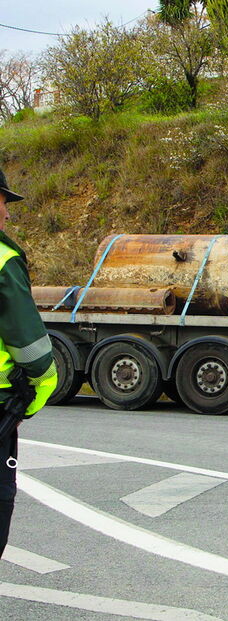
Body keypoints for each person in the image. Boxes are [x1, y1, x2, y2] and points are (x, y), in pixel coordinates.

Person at [0, 168, 57, 557]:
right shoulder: (2, 258)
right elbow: (30, 346)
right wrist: (35, 396)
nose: (6, 215)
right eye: (4, 203)